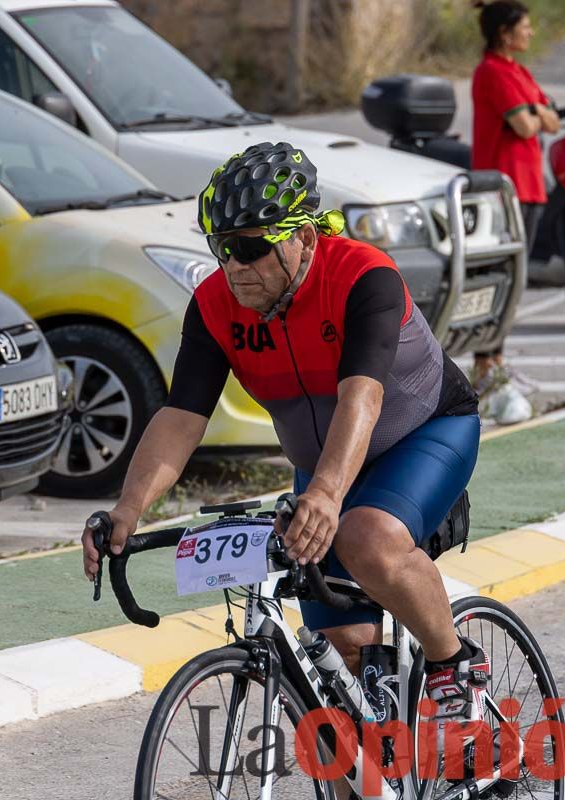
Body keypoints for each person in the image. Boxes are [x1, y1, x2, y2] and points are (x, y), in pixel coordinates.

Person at [82, 141, 491, 758]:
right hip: (323, 465)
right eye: (222, 248)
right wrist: (128, 510)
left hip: (425, 434)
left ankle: (455, 664)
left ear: (303, 237)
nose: (235, 266)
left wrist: (326, 496)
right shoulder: (217, 305)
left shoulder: (362, 277)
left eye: (251, 246)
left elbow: (363, 399)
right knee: (343, 660)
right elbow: (182, 417)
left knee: (367, 538)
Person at [469, 0, 560, 420]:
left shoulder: (519, 71)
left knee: (516, 280)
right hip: (504, 188)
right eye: (524, 27)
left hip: (531, 186)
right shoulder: (492, 72)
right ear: (504, 32)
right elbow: (526, 126)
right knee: (501, 278)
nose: (531, 33)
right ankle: (487, 365)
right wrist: (536, 114)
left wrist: (537, 112)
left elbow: (552, 121)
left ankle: (496, 363)